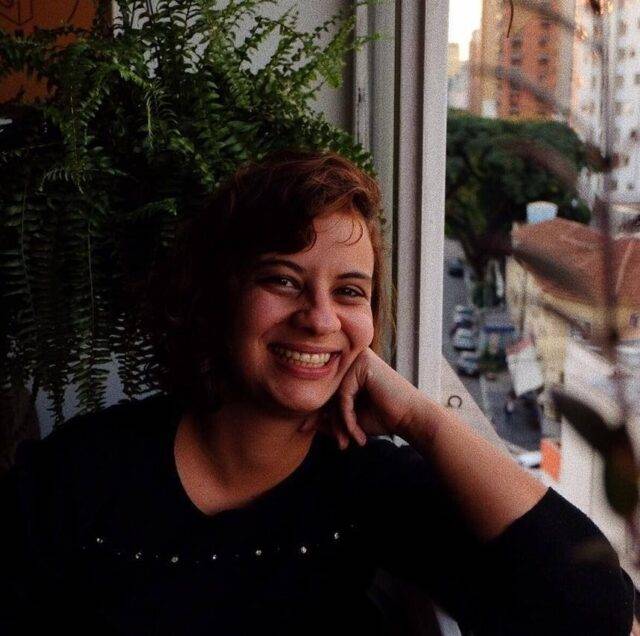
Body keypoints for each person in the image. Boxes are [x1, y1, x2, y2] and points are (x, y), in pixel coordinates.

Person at [0, 149, 635, 635]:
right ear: (217, 295)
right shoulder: (80, 477)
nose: (320, 318)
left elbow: (595, 611)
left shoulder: (368, 485)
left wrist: (425, 420)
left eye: (350, 292)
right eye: (283, 280)